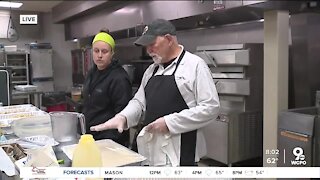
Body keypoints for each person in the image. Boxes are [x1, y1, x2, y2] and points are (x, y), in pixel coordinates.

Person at [90, 19, 220, 166]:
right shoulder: (151, 70)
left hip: (181, 155)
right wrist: (123, 117)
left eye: (152, 44)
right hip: (151, 154)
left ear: (169, 39)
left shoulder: (194, 65)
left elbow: (210, 107)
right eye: (146, 46)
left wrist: (169, 122)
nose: (148, 50)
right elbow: (139, 102)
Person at [82, 29, 132, 146]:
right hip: (91, 136)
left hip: (109, 140)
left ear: (112, 53)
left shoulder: (119, 78)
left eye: (104, 51)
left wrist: (110, 141)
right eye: (96, 51)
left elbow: (123, 114)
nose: (99, 55)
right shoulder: (92, 72)